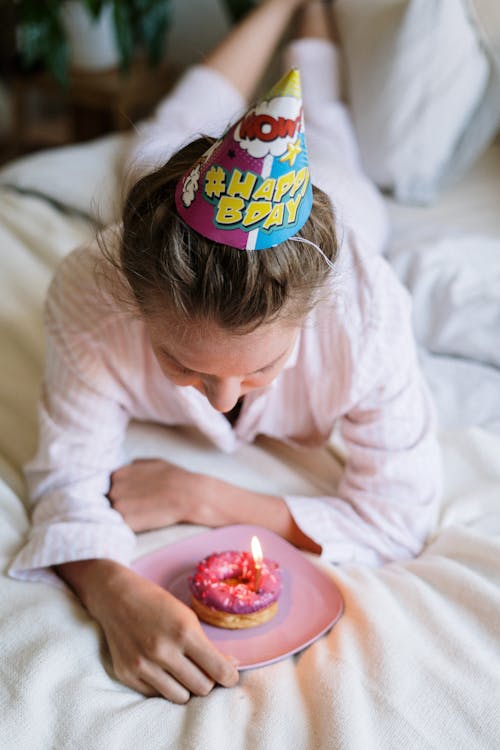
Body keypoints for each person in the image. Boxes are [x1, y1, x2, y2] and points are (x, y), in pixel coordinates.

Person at [9, 0, 441, 704]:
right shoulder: (92, 292)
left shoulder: (364, 313)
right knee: (156, 144)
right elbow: (66, 482)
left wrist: (206, 496)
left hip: (334, 191)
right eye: (183, 365)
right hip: (186, 184)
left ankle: (308, 16)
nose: (225, 401)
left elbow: (400, 512)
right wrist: (109, 587)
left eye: (263, 368)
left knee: (325, 123)